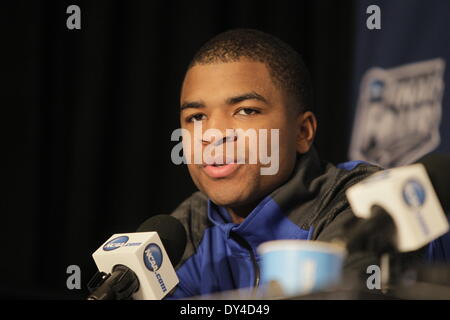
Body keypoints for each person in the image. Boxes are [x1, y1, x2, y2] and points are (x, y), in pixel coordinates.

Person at [165, 28, 392, 299]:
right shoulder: (188, 227)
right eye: (196, 117)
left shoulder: (362, 203)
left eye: (246, 111)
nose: (213, 135)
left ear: (302, 132)